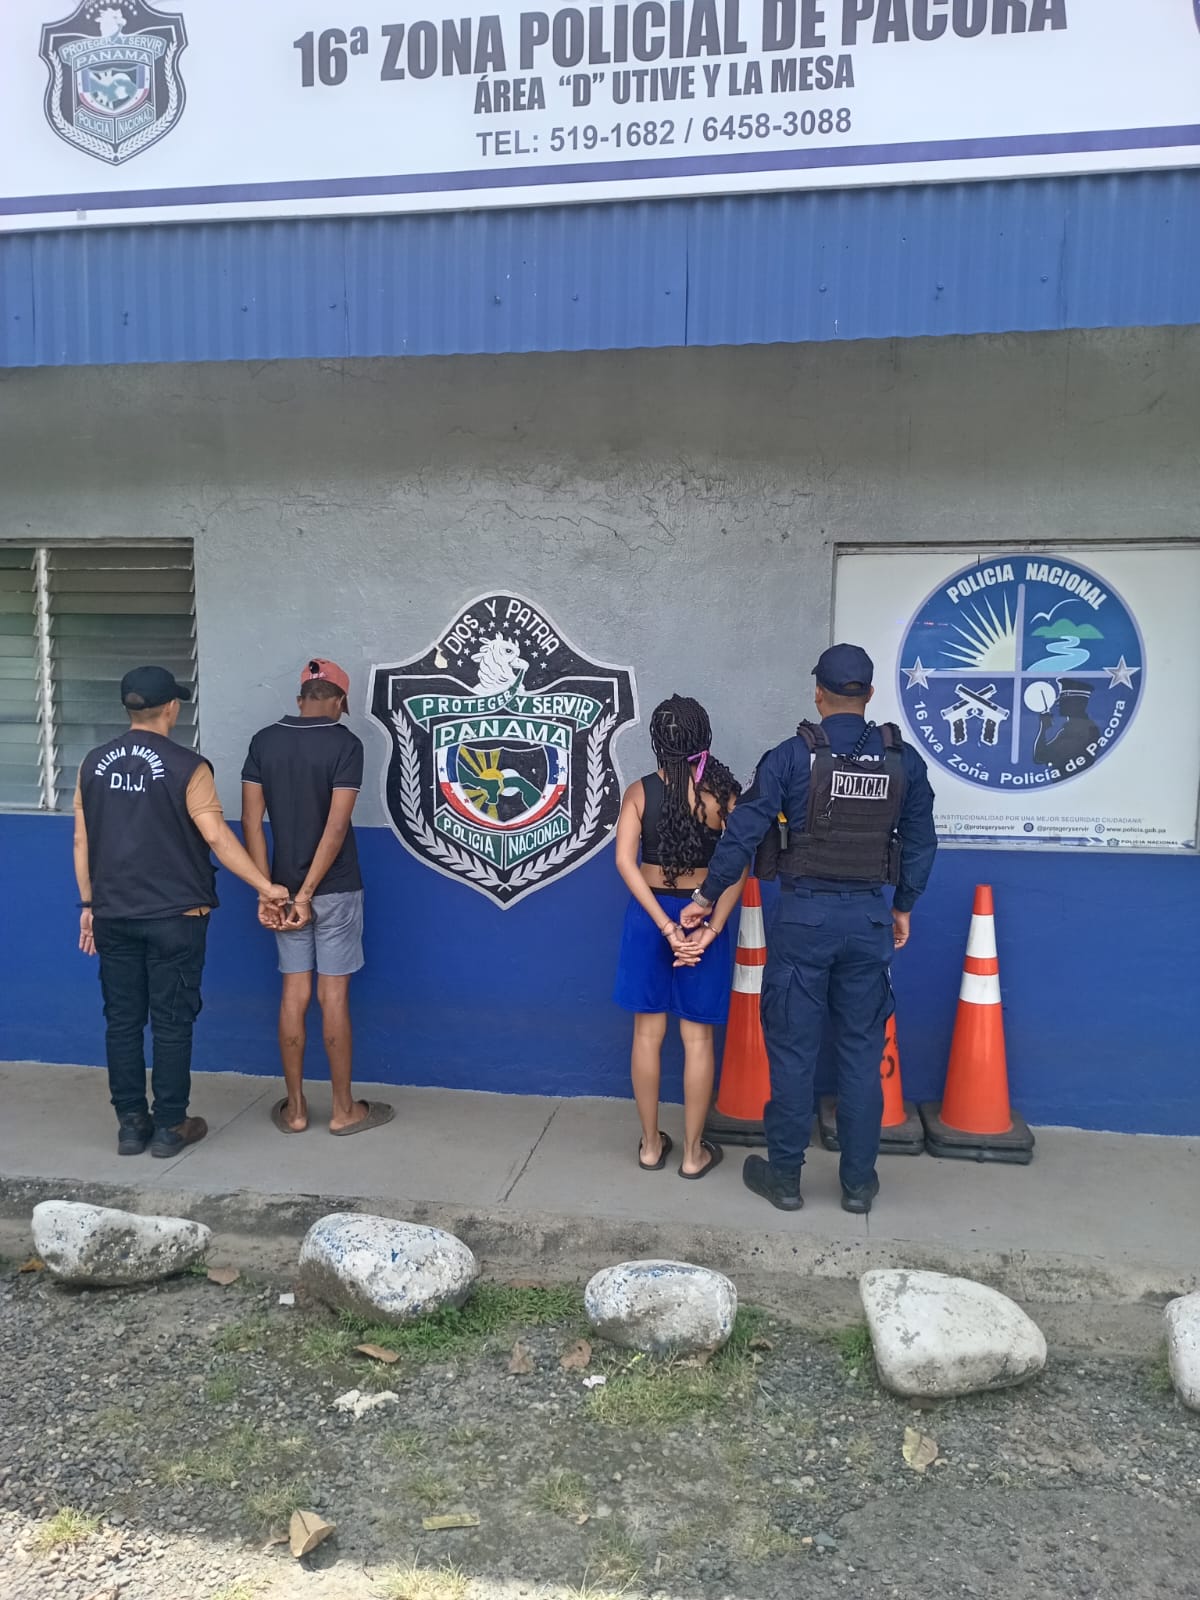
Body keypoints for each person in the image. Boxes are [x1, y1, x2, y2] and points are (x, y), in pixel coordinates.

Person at [681, 645, 937, 1215]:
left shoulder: (791, 757)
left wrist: (704, 897)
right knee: (861, 1055)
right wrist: (903, 907)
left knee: (793, 1055)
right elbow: (922, 842)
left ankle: (786, 1179)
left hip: (803, 922)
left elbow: (742, 833)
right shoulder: (903, 761)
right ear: (870, 695)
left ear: (818, 693)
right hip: (868, 920)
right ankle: (858, 1185)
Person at [74, 665, 290, 1158]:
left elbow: (82, 841)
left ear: (129, 708)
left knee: (122, 1021)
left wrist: (88, 904)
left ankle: (131, 1125)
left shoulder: (92, 763)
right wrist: (266, 886)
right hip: (176, 916)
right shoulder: (188, 767)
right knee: (172, 1022)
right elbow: (216, 837)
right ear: (171, 708)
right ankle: (171, 1124)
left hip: (113, 913)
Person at [241, 658, 393, 1137]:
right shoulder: (346, 745)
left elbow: (251, 823)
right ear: (341, 701)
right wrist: (308, 894)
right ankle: (344, 1110)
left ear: (300, 698)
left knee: (294, 993)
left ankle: (296, 1110)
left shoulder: (264, 741)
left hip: (281, 889)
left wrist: (267, 891)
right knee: (333, 996)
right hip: (335, 890)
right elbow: (337, 825)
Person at [613, 695, 745, 1178]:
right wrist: (709, 929)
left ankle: (651, 1146)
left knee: (647, 1034)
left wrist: (665, 925)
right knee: (698, 1038)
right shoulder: (722, 796)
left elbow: (625, 862)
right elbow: (738, 868)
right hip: (701, 916)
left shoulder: (639, 792)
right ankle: (693, 1155)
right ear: (702, 738)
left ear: (657, 741)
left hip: (650, 919)